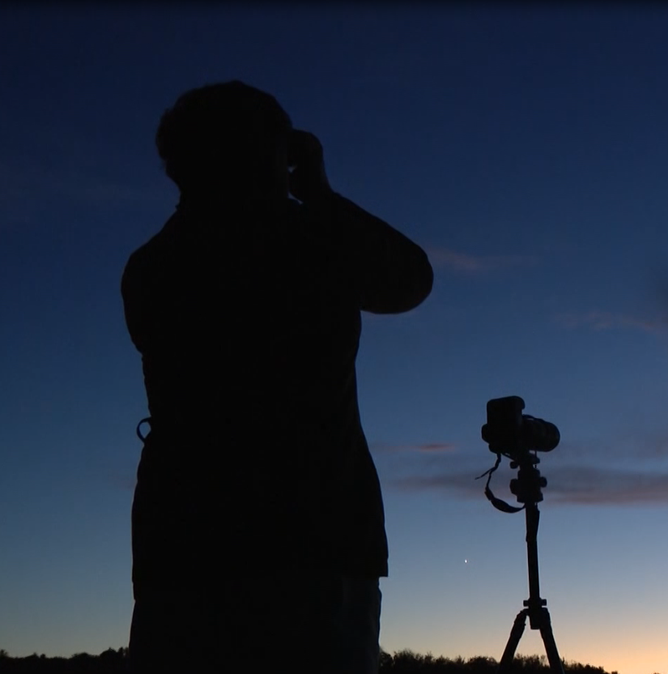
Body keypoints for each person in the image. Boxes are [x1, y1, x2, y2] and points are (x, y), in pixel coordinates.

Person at [121, 81, 434, 674]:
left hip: (184, 546)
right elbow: (410, 279)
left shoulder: (153, 266)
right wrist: (318, 194)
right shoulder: (305, 245)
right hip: (313, 548)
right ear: (273, 153)